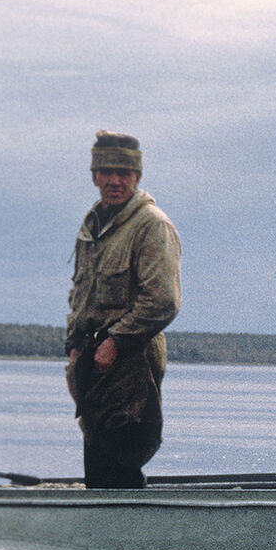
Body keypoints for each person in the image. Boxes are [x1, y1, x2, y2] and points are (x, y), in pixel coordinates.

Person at [65, 130, 181, 488]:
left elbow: (163, 301)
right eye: (107, 172)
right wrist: (74, 344)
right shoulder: (93, 226)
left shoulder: (151, 225)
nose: (115, 181)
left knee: (123, 457)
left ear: (137, 176)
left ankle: (128, 523)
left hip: (131, 362)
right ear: (94, 176)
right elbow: (80, 291)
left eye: (124, 173)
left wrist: (116, 342)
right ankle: (104, 521)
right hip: (93, 363)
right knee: (98, 462)